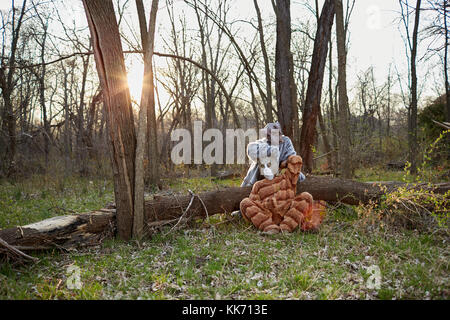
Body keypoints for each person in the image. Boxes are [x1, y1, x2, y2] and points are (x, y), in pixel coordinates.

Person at [232, 122, 305, 218]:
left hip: (279, 178)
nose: (274, 137)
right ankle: (244, 211)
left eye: (276, 134)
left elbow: (292, 156)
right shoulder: (262, 142)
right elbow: (251, 150)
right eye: (271, 135)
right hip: (259, 178)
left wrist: (283, 163)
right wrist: (270, 151)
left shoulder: (286, 141)